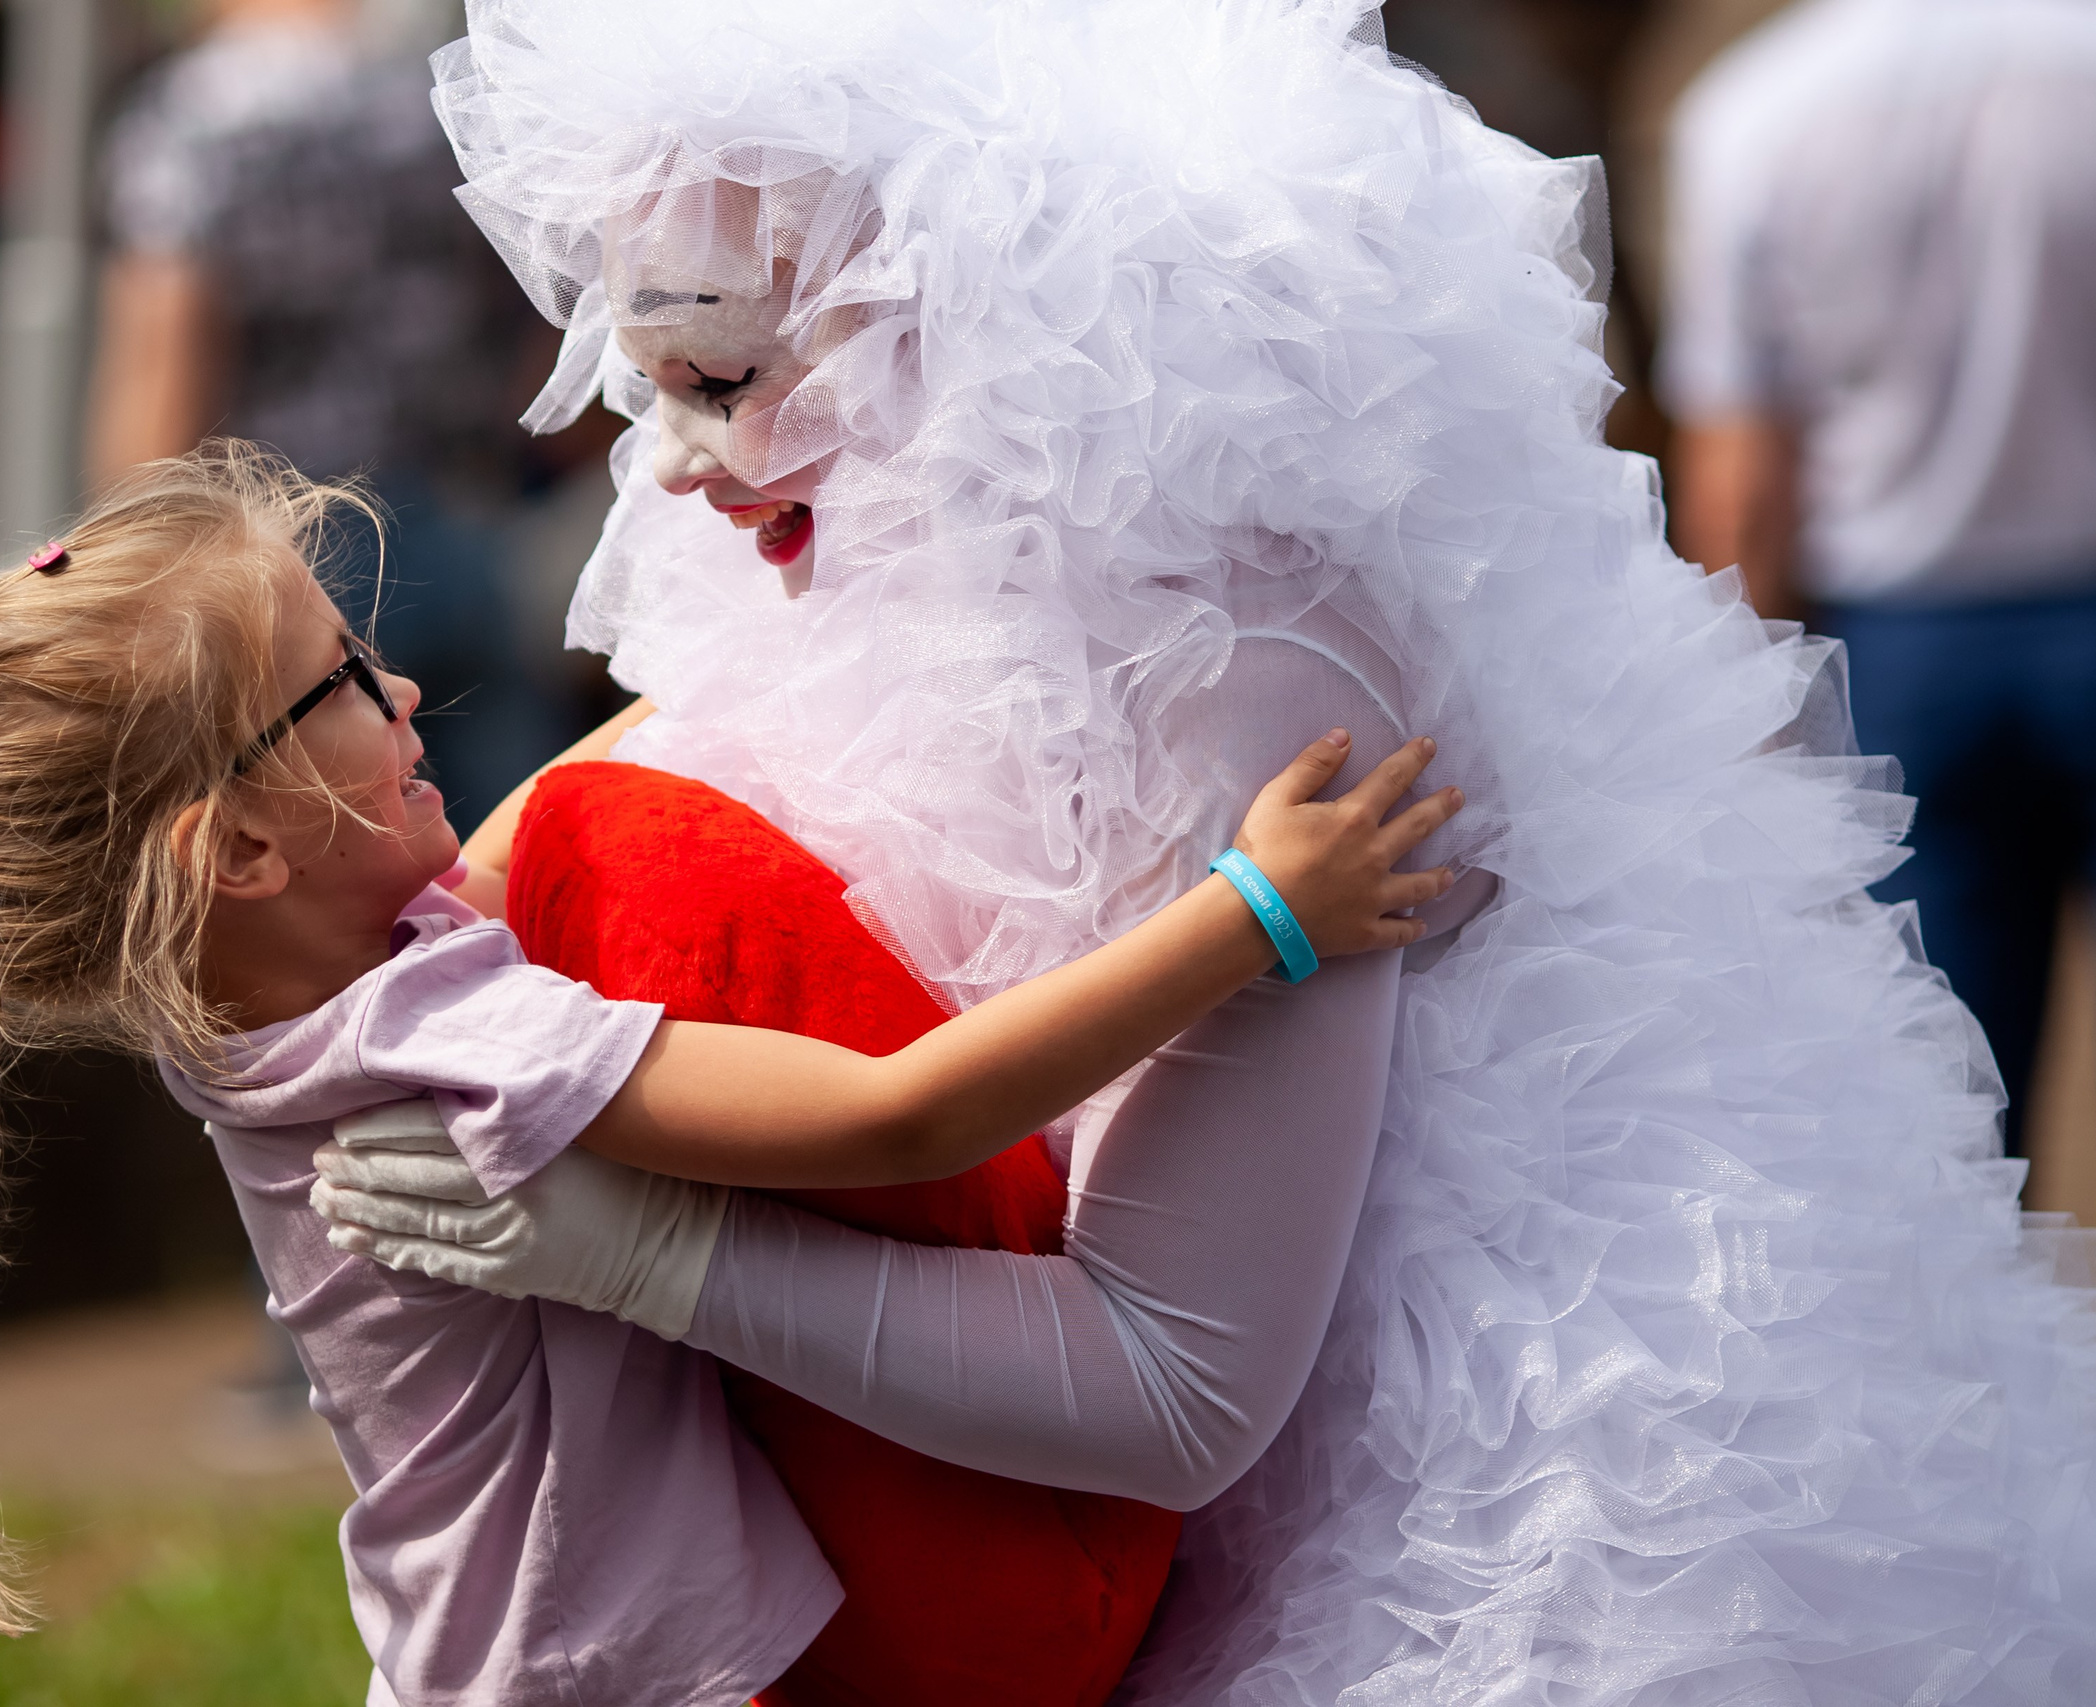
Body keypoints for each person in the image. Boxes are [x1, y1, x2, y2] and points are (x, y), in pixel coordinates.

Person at [301, 1, 2096, 1702]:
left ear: (983, 315)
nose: (676, 471)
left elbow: (1180, 1387)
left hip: (1475, 1529)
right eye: (655, 389)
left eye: (721, 377)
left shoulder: (1246, 673)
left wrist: (642, 1252)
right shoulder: (846, 545)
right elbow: (554, 833)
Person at [0, 443, 1460, 1684]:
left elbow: (539, 817)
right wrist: (1255, 914)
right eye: (345, 679)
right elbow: (904, 1114)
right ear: (237, 851)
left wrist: (821, 585)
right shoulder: (457, 1053)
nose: (405, 687)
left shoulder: (251, 1016)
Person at [1658, 0, 2096, 1155]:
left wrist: (1743, 732)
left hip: (1904, 649)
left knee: (1947, 1107)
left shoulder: (1755, 108)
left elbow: (1741, 474)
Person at [89, 0, 564, 830]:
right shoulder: (422, 96)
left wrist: (133, 571)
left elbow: (164, 362)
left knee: (322, 854)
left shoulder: (190, 122)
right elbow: (540, 304)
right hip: (451, 516)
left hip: (279, 559)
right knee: (513, 839)